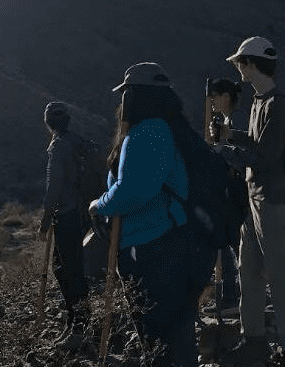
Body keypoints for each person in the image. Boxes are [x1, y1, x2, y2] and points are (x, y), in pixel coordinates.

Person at [89, 62, 216, 367]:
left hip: (154, 246)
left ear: (134, 96)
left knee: (159, 334)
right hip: (171, 241)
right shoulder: (167, 127)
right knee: (175, 331)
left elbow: (135, 190)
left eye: (126, 94)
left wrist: (99, 205)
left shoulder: (149, 132)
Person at [219, 37, 285, 367]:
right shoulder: (262, 101)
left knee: (281, 274)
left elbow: (265, 158)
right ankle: (254, 339)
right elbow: (260, 144)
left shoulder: (276, 105)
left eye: (240, 63)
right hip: (256, 198)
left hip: (271, 200)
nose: (238, 69)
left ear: (250, 64)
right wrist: (233, 137)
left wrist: (224, 151)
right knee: (250, 271)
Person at [39, 101, 91, 349]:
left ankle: (78, 327)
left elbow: (54, 187)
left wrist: (44, 221)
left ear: (48, 122)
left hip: (67, 215)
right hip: (84, 213)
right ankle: (76, 323)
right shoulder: (78, 141)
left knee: (66, 271)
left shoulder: (58, 146)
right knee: (71, 269)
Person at [206, 78, 246, 315]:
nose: (212, 102)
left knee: (235, 244)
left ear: (226, 96)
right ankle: (236, 295)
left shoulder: (237, 120)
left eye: (215, 96)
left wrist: (221, 148)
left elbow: (244, 154)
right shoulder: (228, 121)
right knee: (232, 243)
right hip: (232, 190)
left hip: (238, 190)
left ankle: (237, 297)